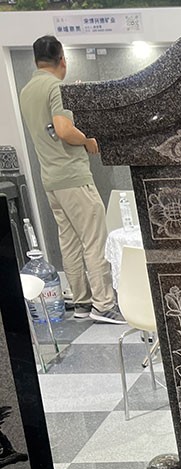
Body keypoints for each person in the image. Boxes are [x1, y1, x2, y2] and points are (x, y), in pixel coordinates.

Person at [19, 36, 125, 324]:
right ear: (62, 59)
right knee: (94, 240)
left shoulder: (27, 90)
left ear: (36, 60)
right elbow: (64, 130)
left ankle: (82, 302)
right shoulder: (56, 87)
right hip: (73, 176)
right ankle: (104, 305)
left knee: (70, 242)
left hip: (51, 180)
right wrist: (88, 141)